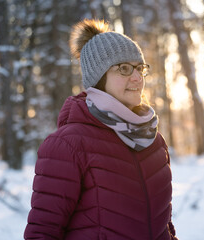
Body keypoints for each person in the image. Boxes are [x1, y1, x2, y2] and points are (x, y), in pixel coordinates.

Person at [24, 19, 178, 240]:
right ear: (99, 77)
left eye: (140, 68)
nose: (136, 77)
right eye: (124, 69)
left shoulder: (152, 139)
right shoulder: (68, 144)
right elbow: (42, 232)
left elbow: (165, 225)